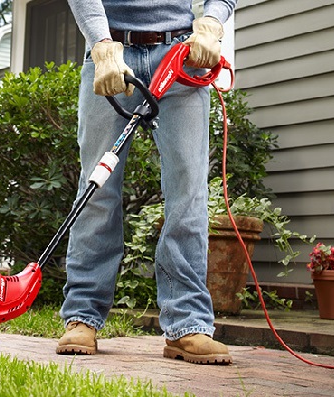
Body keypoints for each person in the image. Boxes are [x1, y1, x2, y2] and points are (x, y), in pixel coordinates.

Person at [57, 0, 237, 365]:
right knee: (97, 190)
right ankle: (82, 316)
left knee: (188, 194)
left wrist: (212, 22)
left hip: (182, 55)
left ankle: (187, 325)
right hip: (111, 53)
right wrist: (100, 43)